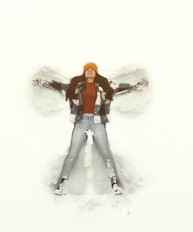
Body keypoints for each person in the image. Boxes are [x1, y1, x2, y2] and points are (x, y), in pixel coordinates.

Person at [33, 62, 146, 195]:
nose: (90, 71)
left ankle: (114, 184)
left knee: (106, 153)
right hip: (81, 122)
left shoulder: (105, 86)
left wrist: (138, 85)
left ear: (96, 73)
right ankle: (62, 184)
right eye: (88, 69)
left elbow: (122, 88)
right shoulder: (76, 86)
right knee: (72, 153)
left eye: (93, 69)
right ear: (84, 73)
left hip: (97, 122)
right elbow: (58, 86)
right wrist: (42, 83)